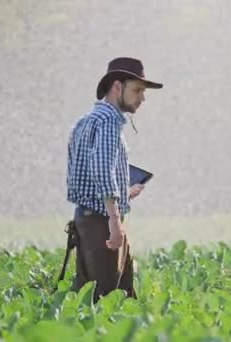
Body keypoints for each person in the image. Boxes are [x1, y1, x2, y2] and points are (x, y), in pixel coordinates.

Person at [65, 57, 163, 303]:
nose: (142, 98)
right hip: (102, 224)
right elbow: (101, 169)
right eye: (137, 90)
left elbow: (88, 176)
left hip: (89, 219)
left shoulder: (87, 120)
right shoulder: (108, 122)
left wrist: (125, 191)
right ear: (117, 87)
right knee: (109, 302)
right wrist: (115, 221)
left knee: (95, 300)